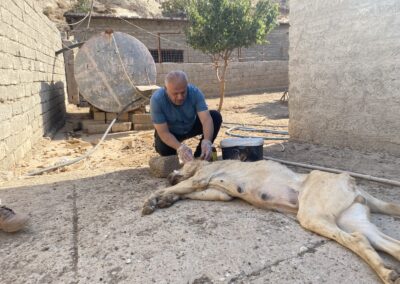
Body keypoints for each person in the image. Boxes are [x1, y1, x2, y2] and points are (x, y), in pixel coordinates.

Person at [150, 71, 222, 163]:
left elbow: (206, 119)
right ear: (166, 89)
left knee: (215, 116)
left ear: (187, 86)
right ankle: (178, 153)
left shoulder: (195, 92)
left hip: (190, 125)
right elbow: (164, 132)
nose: (180, 97)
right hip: (171, 132)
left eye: (183, 92)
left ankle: (201, 153)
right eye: (175, 94)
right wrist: (180, 148)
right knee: (164, 150)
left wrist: (207, 141)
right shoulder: (157, 100)